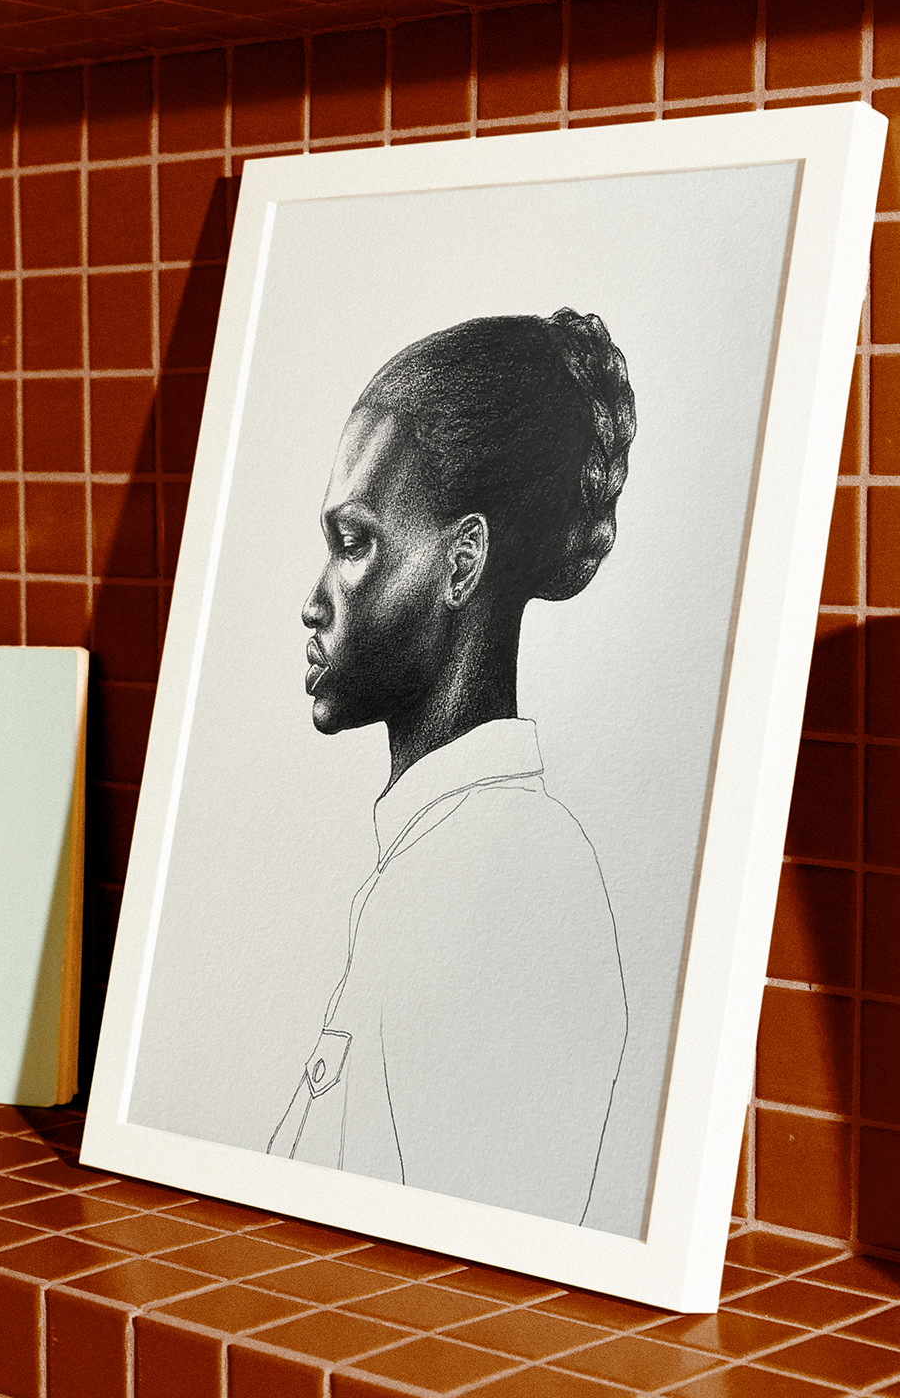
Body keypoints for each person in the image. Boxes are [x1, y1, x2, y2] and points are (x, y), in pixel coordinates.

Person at [268, 309, 636, 1225]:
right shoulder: (444, 850)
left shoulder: (505, 869)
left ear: (462, 560)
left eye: (353, 542)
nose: (312, 601)